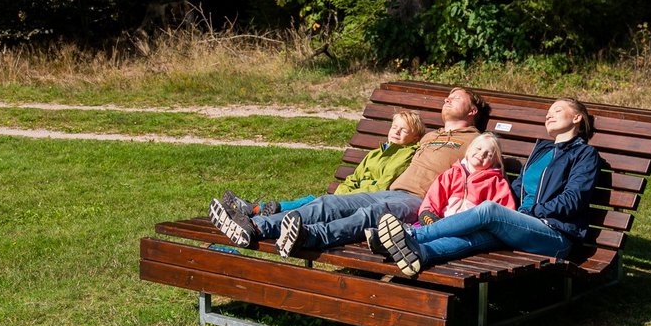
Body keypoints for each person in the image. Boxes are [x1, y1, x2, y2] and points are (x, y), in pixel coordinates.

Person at [208, 86, 487, 256]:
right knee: (329, 203)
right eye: (447, 96)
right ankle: (257, 226)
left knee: (369, 216)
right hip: (390, 191)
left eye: (455, 97)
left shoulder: (477, 141)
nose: (447, 99)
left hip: (420, 203)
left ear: (472, 111)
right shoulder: (428, 136)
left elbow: (487, 178)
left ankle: (310, 236)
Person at [375, 97, 600, 278]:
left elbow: (573, 199)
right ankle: (421, 252)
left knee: (489, 210)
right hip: (524, 225)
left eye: (557, 110)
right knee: (476, 235)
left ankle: (411, 233)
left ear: (576, 118)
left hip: (556, 234)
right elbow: (517, 189)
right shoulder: (541, 151)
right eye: (548, 112)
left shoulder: (585, 154)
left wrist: (529, 212)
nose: (549, 115)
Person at [239, 110, 425, 218]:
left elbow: (382, 186)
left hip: (366, 202)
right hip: (347, 196)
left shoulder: (406, 155)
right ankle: (259, 209)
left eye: (403, 130)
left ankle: (259, 213)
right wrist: (343, 190)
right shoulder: (376, 153)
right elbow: (354, 178)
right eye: (394, 127)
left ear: (415, 138)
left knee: (315, 204)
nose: (396, 132)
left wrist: (346, 194)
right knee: (312, 201)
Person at [415, 133, 518, 224]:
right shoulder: (452, 174)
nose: (482, 154)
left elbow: (505, 210)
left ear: (493, 163)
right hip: (443, 220)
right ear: (469, 150)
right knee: (421, 231)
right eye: (478, 148)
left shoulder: (495, 182)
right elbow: (435, 195)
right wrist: (428, 212)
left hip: (472, 226)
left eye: (489, 155)